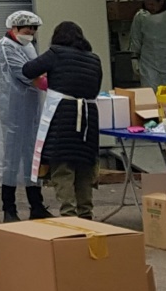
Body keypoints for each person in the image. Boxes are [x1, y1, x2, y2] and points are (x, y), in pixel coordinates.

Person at [22, 22, 104, 220]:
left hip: (63, 117)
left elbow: (28, 69)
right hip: (89, 118)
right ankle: (86, 214)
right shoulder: (94, 59)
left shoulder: (56, 53)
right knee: (84, 167)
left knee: (63, 167)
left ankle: (69, 214)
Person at [0, 11, 47, 223]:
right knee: (11, 159)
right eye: (26, 28)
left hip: (30, 108)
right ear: (14, 28)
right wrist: (52, 84)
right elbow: (25, 73)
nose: (30, 31)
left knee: (32, 157)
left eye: (33, 28)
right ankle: (9, 208)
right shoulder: (4, 46)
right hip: (12, 108)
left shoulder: (28, 46)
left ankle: (36, 205)